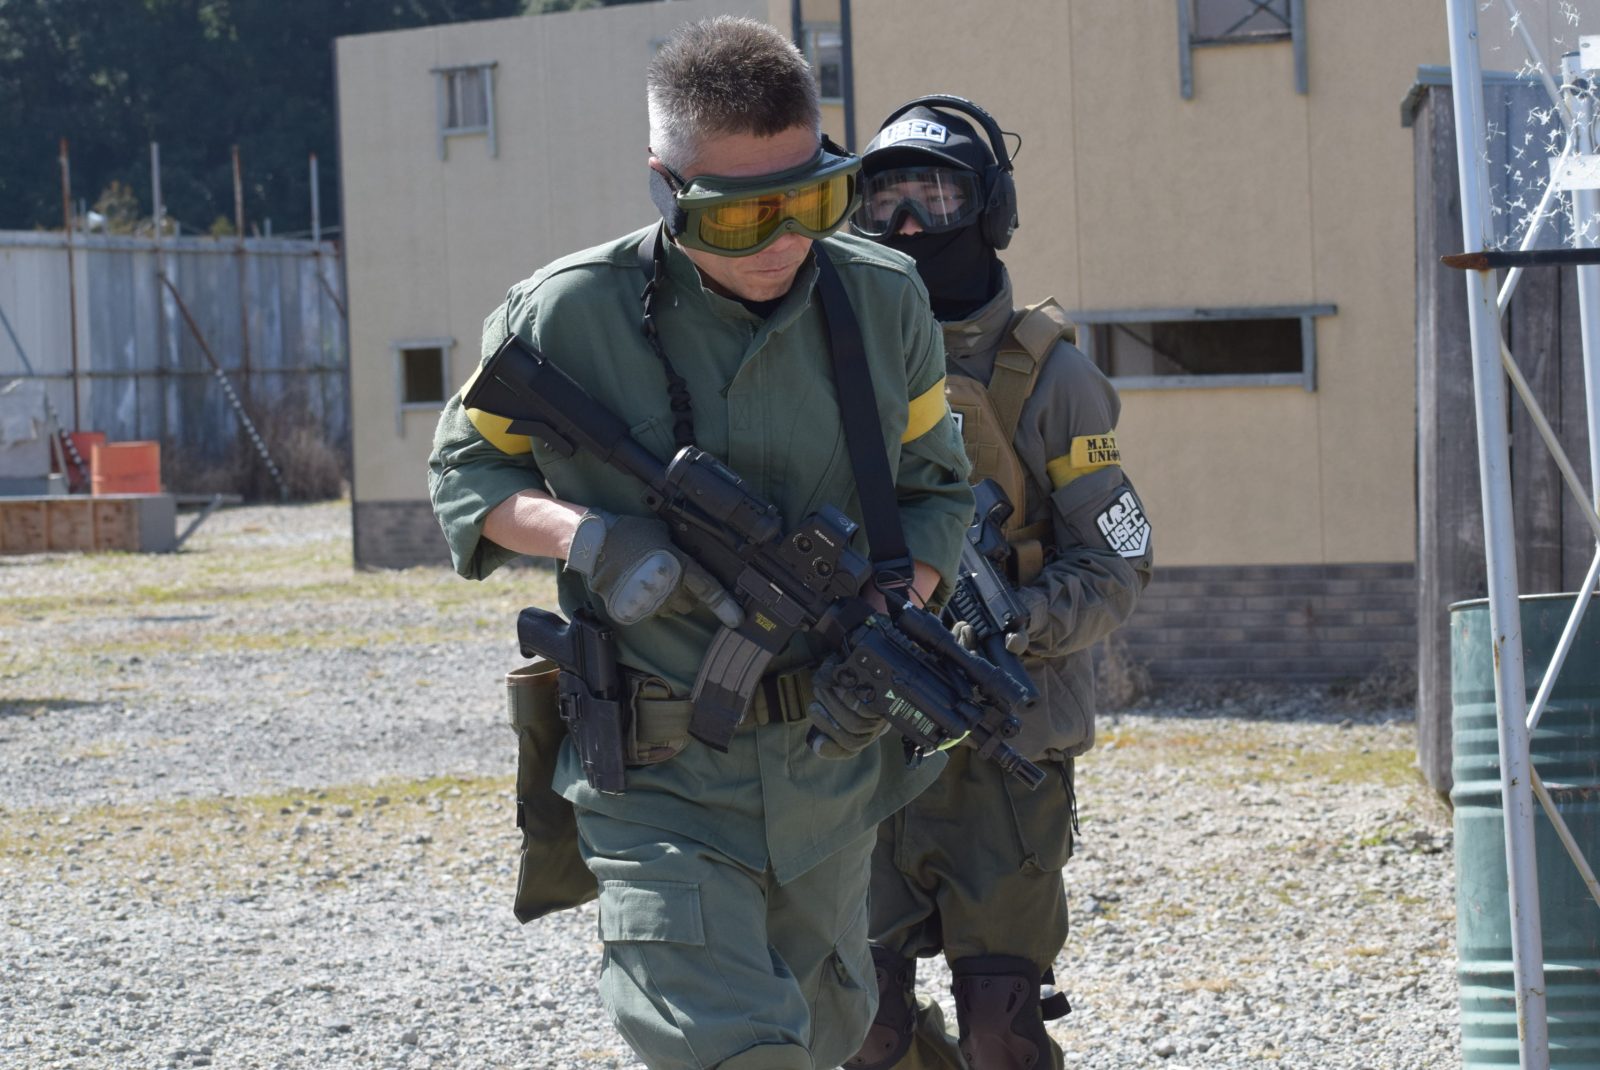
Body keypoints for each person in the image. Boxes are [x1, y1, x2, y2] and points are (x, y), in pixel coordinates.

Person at [427, 20, 976, 1070]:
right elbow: (465, 471)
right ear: (666, 186)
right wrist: (589, 537)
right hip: (659, 778)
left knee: (826, 1037)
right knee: (734, 1050)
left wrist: (892, 613)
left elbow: (935, 491)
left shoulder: (883, 300)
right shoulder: (568, 314)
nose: (783, 240)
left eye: (814, 200)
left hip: (829, 774)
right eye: (738, 216)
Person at [843, 97, 1155, 1070]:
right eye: (885, 202)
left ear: (991, 211)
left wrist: (1012, 621)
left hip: (1002, 741)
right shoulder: (835, 363)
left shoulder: (1050, 379)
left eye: (934, 198)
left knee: (1000, 1027)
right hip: (867, 739)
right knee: (860, 1022)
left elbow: (1116, 565)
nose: (907, 226)